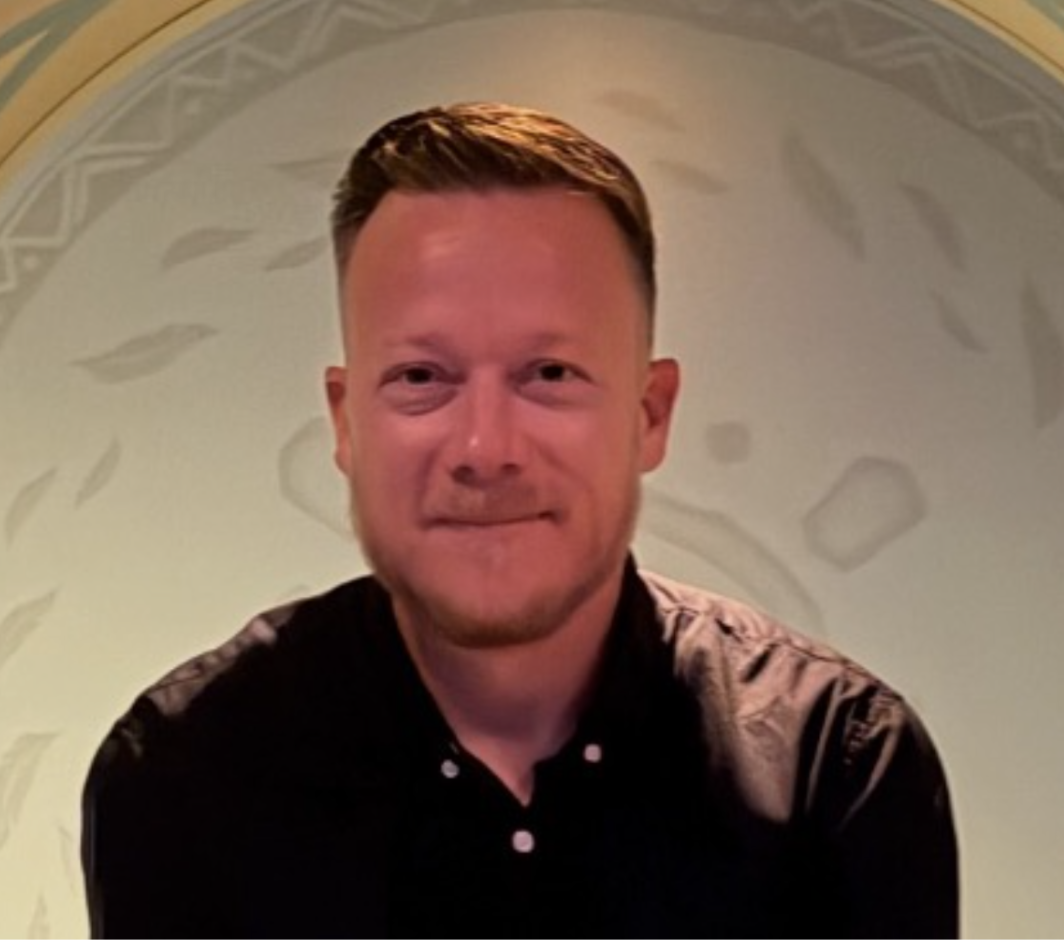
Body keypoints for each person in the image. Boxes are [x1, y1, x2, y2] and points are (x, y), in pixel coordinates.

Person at [81, 102, 959, 939]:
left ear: (650, 414)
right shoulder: (183, 774)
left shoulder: (838, 761)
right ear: (347, 423)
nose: (484, 447)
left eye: (550, 373)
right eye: (422, 377)